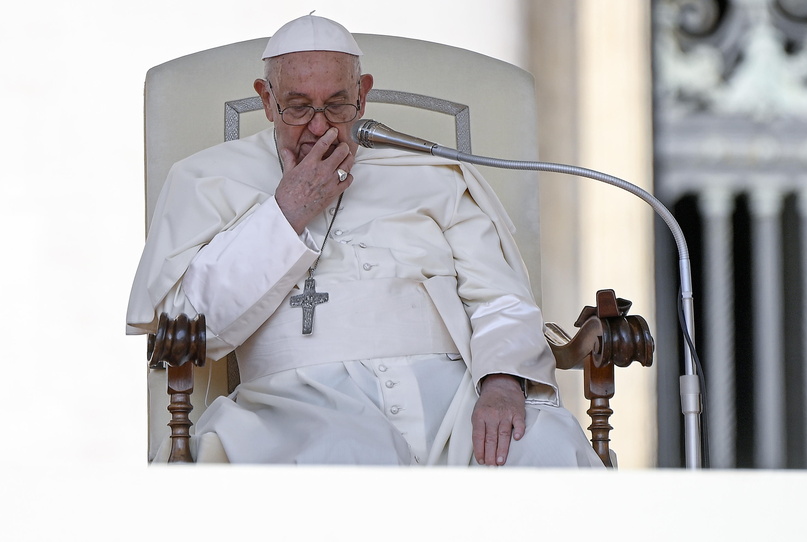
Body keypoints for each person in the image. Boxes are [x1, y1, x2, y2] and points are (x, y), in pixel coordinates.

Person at [127, 14, 603, 467]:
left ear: (364, 95)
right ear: (266, 100)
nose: (319, 126)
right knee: (345, 461)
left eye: (336, 104)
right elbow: (189, 326)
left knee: (545, 448)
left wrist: (501, 382)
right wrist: (286, 212)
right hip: (299, 406)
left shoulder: (432, 174)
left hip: (455, 399)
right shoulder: (205, 179)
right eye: (297, 106)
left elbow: (499, 296)